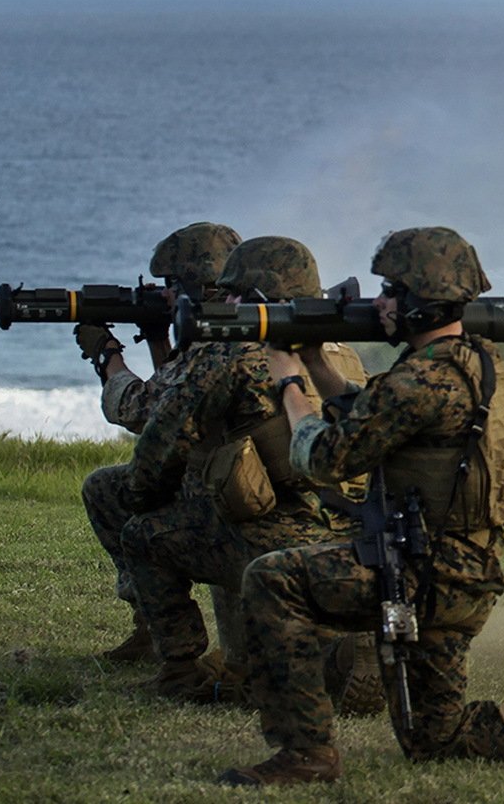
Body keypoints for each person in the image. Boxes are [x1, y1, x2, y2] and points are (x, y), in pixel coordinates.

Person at [219, 227, 504, 787]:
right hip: (467, 573)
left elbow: (322, 457)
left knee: (273, 579)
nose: (379, 302)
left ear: (419, 303)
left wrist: (288, 378)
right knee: (436, 737)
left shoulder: (423, 378)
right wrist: (316, 361)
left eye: (391, 290)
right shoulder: (476, 362)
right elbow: (376, 415)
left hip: (422, 576)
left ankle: (306, 755)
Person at [118, 235, 373, 704]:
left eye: (231, 291)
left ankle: (181, 670)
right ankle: (327, 654)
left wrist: (144, 496)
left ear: (252, 295)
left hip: (281, 538)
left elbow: (156, 453)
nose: (225, 300)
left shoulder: (227, 351)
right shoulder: (341, 350)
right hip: (355, 534)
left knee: (143, 533)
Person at [77, 221, 241, 662]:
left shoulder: (214, 349)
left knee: (118, 498)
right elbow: (181, 394)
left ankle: (168, 647)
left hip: (231, 508)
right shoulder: (267, 330)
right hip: (261, 490)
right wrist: (158, 338)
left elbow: (142, 410)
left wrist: (107, 356)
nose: (163, 294)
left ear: (192, 287)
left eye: (170, 286)